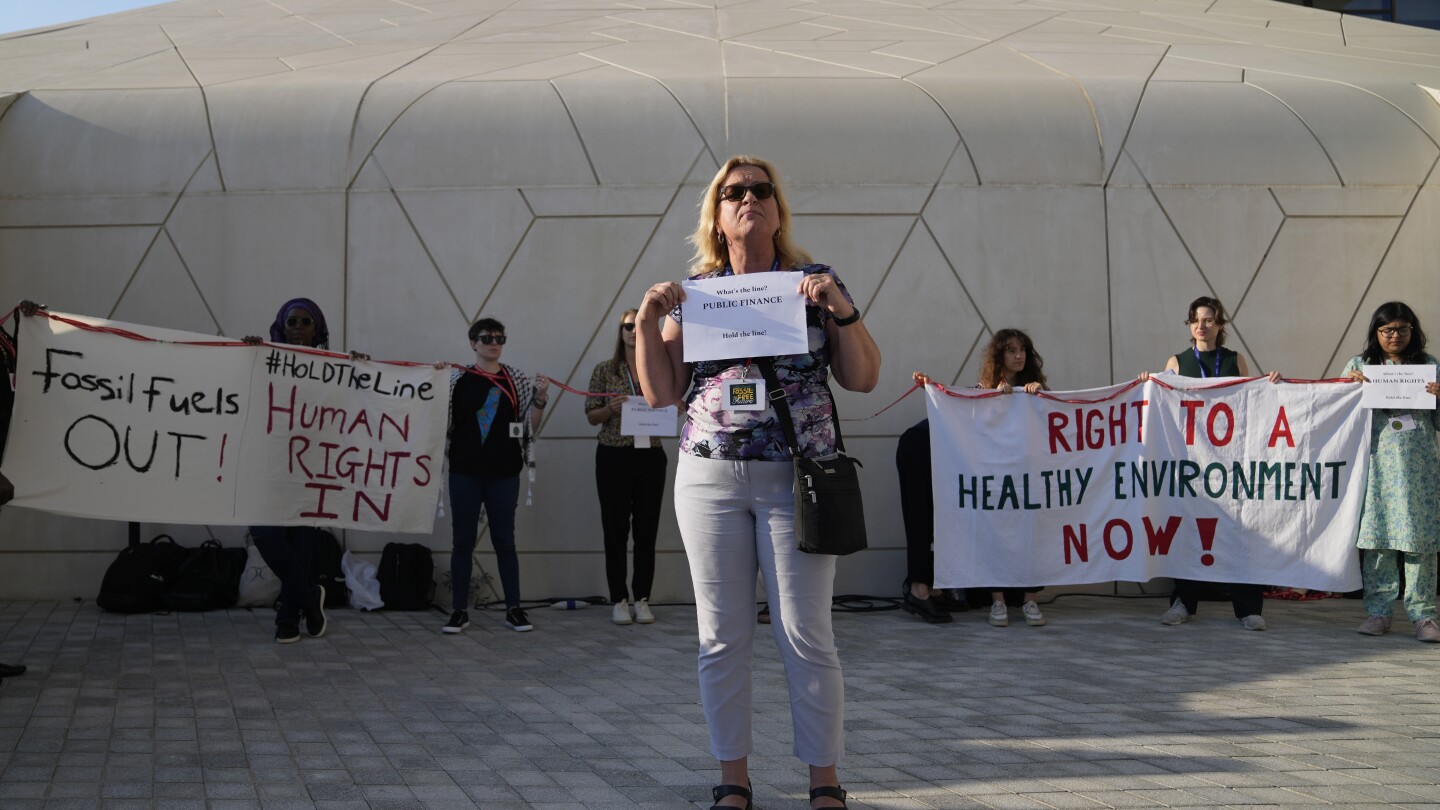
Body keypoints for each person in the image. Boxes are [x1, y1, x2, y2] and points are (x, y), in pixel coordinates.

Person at [635, 155, 881, 810]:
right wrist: (646, 322)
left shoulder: (813, 283)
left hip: (794, 478)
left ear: (778, 208)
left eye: (761, 190)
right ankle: (733, 777)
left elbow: (862, 378)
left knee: (806, 633)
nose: (750, 199)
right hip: (709, 478)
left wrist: (842, 309)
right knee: (721, 636)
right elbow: (660, 395)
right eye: (734, 192)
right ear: (717, 214)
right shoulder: (697, 292)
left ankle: (824, 782)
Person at [1141, 295, 1280, 631]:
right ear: (1190, 326)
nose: (1201, 326)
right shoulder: (1176, 363)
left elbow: (1253, 404)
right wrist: (1147, 385)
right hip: (1191, 466)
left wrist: (1271, 386)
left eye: (1208, 320)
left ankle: (1247, 608)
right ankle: (1183, 602)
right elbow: (1161, 406)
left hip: (1230, 465)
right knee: (1187, 530)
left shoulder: (1235, 360)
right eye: (1195, 320)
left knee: (1238, 533)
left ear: (1220, 325)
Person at [444, 317, 549, 634]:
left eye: (499, 337)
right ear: (473, 343)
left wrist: (540, 398)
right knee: (462, 542)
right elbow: (441, 421)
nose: (494, 342)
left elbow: (529, 427)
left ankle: (514, 609)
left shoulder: (515, 378)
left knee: (505, 541)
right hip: (464, 471)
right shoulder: (456, 378)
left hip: (504, 473)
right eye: (487, 337)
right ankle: (459, 610)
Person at [1343, 302, 1440, 642]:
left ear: (1413, 331)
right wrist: (1348, 388)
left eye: (1402, 329)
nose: (1395, 336)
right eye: (1388, 330)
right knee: (1378, 541)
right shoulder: (1361, 365)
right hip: (1375, 469)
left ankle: (1424, 616)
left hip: (1420, 472)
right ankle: (1378, 612)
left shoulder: (1430, 367)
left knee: (1420, 543)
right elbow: (1336, 415)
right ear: (1376, 333)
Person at [242, 298, 334, 644]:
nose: (297, 328)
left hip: (310, 468)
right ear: (281, 326)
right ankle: (310, 597)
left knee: (300, 544)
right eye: (291, 322)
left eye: (305, 322)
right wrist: (249, 355)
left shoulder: (331, 367)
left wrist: (360, 370)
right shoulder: (264, 360)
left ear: (317, 329)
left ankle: (287, 620)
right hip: (268, 465)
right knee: (266, 535)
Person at [585, 309, 667, 626]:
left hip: (651, 456)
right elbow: (591, 415)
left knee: (647, 531)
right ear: (620, 332)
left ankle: (642, 598)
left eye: (640, 326)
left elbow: (672, 405)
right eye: (628, 326)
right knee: (616, 531)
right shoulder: (606, 371)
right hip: (613, 455)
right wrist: (609, 408)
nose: (634, 331)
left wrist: (675, 405)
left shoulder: (660, 369)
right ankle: (619, 598)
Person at [975, 329, 1050, 628]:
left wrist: (1035, 395)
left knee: (1031, 535)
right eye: (1011, 350)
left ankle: (1030, 600)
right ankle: (999, 602)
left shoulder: (1036, 388)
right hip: (998, 474)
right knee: (998, 533)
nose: (1018, 356)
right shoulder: (985, 388)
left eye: (1022, 350)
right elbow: (977, 426)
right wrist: (995, 399)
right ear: (999, 356)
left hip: (1029, 474)